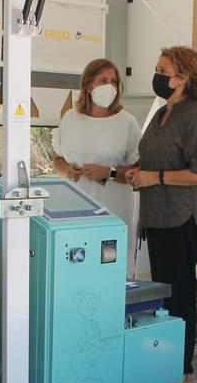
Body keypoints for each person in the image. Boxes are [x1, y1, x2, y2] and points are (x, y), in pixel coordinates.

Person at [125, 46, 197, 383]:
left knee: (179, 293)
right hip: (155, 215)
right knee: (161, 294)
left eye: (164, 70)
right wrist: (137, 173)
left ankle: (183, 369)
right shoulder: (161, 114)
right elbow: (151, 160)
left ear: (183, 78)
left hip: (180, 218)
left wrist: (156, 178)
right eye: (157, 68)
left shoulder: (196, 118)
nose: (158, 75)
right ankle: (162, 361)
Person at [51, 58, 142, 271]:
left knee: (110, 268)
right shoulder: (70, 118)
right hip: (75, 211)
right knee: (75, 267)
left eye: (113, 81)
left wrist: (108, 172)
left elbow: (139, 170)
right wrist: (67, 169)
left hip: (113, 211)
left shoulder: (126, 122)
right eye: (103, 80)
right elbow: (57, 160)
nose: (109, 86)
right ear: (89, 84)